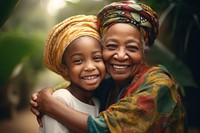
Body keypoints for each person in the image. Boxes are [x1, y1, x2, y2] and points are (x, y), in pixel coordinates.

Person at [30, 1, 186, 133]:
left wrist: (51, 105)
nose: (120, 55)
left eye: (132, 48)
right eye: (111, 46)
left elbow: (106, 127)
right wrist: (46, 94)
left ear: (143, 52)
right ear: (102, 48)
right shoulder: (107, 83)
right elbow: (72, 87)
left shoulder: (159, 84)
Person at [39, 15, 106, 133]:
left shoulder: (96, 102)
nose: (90, 67)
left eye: (96, 58)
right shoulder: (60, 99)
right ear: (65, 69)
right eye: (78, 60)